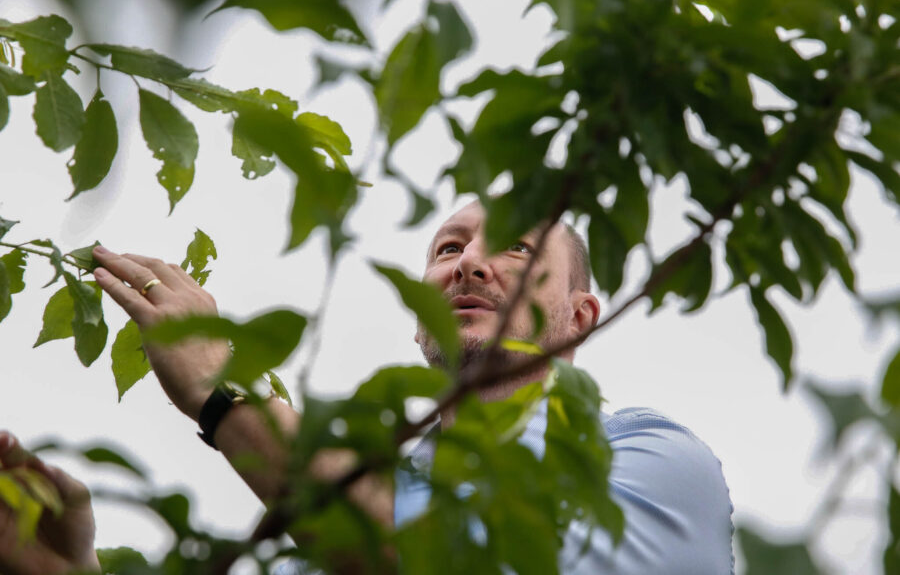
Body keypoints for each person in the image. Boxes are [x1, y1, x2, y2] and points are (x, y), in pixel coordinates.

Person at [0, 201, 733, 574]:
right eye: (449, 247)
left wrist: (225, 396)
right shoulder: (361, 491)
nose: (469, 265)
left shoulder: (651, 460)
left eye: (514, 246)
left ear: (581, 319)